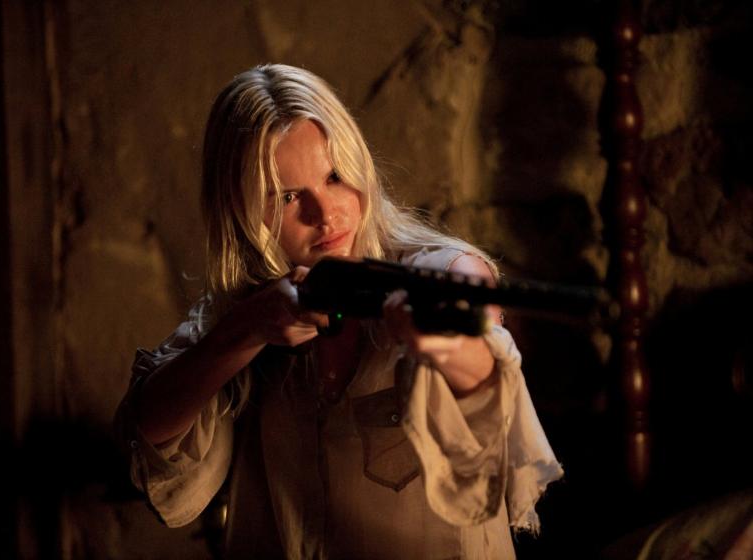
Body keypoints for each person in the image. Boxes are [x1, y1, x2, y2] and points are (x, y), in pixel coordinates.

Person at [116, 63, 562, 559]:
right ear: (240, 212)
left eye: (334, 176)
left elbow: (484, 367)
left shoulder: (443, 268)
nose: (325, 214)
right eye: (287, 197)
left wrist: (446, 339)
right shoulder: (247, 308)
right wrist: (248, 330)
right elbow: (148, 433)